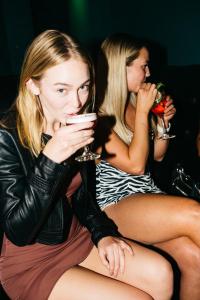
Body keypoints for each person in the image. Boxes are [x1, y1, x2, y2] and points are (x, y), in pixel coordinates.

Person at [0, 30, 173, 300]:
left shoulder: (77, 124)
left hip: (76, 238)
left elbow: (82, 196)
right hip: (31, 258)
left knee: (161, 272)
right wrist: (51, 159)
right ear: (32, 85)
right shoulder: (7, 136)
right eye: (62, 89)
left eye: (84, 86)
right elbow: (19, 231)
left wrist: (102, 234)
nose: (78, 102)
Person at [95, 33, 200, 300]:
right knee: (194, 213)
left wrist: (163, 124)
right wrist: (144, 113)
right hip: (114, 204)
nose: (149, 72)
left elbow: (157, 157)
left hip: (146, 196)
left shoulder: (132, 102)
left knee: (195, 260)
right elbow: (135, 165)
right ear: (121, 67)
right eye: (143, 65)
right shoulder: (96, 115)